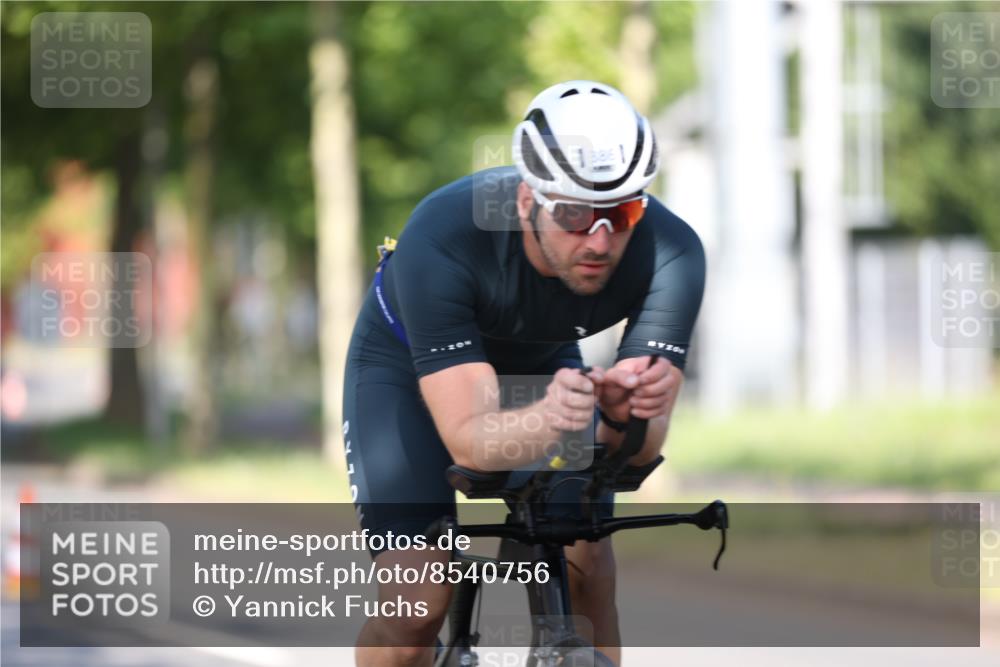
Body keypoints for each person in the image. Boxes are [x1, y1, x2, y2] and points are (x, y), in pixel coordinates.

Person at [342, 80, 705, 666]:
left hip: (544, 367)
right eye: (574, 213)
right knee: (416, 606)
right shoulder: (442, 236)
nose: (600, 240)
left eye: (622, 212)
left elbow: (636, 455)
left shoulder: (672, 252)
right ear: (525, 200)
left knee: (589, 570)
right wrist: (554, 419)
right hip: (405, 374)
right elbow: (470, 443)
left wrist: (620, 417)